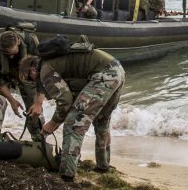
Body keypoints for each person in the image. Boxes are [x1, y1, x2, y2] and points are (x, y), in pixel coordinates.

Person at [22, 47, 125, 182]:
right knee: (101, 120)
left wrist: (53, 123)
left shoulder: (45, 69)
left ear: (32, 70)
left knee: (74, 122)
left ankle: (66, 176)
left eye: (30, 78)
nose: (34, 82)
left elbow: (65, 100)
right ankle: (103, 166)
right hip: (117, 70)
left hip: (105, 75)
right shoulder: (52, 62)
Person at [0, 27, 42, 140]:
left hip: (27, 73)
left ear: (18, 43)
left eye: (13, 53)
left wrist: (38, 102)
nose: (10, 57)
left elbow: (41, 73)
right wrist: (11, 100)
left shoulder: (31, 42)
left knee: (34, 107)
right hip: (3, 74)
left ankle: (39, 139)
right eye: (7, 54)